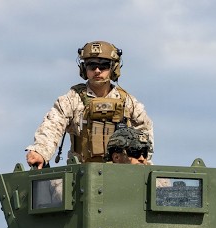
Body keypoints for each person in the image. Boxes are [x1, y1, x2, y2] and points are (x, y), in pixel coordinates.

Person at [24, 41, 153, 168]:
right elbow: (52, 125)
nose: (97, 71)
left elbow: (145, 133)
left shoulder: (127, 101)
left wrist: (142, 161)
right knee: (56, 189)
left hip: (120, 172)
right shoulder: (71, 99)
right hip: (79, 173)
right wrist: (40, 151)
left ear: (113, 68)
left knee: (162, 186)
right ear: (84, 69)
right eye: (91, 66)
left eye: (103, 66)